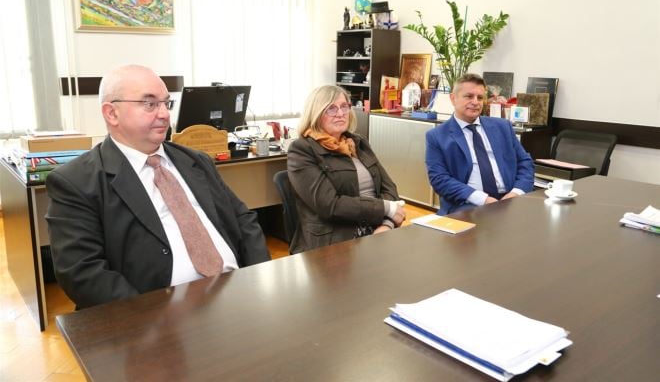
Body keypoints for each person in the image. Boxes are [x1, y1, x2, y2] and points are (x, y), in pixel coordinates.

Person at [46, 64, 271, 309]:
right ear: (112, 113)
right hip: (158, 313)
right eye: (149, 104)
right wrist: (149, 319)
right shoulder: (75, 182)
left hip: (237, 294)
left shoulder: (196, 160)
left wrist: (257, 279)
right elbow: (82, 272)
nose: (164, 114)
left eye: (166, 103)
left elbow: (242, 218)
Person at [287, 85, 405, 253]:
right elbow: (330, 205)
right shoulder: (302, 150)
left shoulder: (358, 143)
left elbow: (389, 188)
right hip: (334, 242)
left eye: (344, 106)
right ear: (316, 113)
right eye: (331, 108)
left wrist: (387, 224)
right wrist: (386, 208)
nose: (340, 113)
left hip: (377, 230)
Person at [425, 73, 534, 215]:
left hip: (510, 199)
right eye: (469, 96)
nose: (475, 102)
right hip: (467, 204)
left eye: (480, 97)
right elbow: (439, 179)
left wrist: (516, 193)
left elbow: (525, 162)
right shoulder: (437, 136)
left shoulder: (503, 127)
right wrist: (483, 199)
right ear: (453, 98)